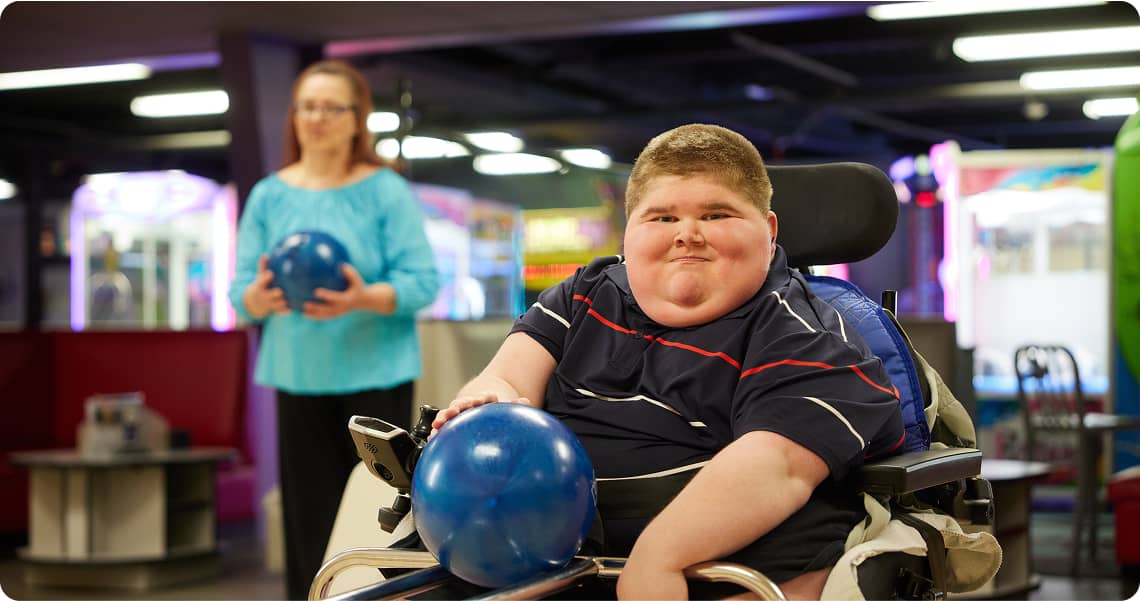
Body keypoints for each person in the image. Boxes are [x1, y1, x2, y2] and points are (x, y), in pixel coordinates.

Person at [431, 124, 904, 600]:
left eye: (717, 214)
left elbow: (777, 464)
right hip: (544, 533)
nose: (688, 235)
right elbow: (511, 376)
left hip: (719, 549)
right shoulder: (583, 297)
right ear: (629, 231)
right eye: (661, 218)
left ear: (770, 230)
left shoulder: (803, 331)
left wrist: (661, 554)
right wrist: (488, 403)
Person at [228, 60, 439, 600]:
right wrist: (258, 296)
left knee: (376, 520)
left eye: (331, 107)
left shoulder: (385, 190)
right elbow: (239, 295)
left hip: (377, 375)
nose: (316, 118)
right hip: (299, 375)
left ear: (356, 120)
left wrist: (359, 298)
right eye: (306, 106)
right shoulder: (269, 195)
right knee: (309, 519)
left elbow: (422, 282)